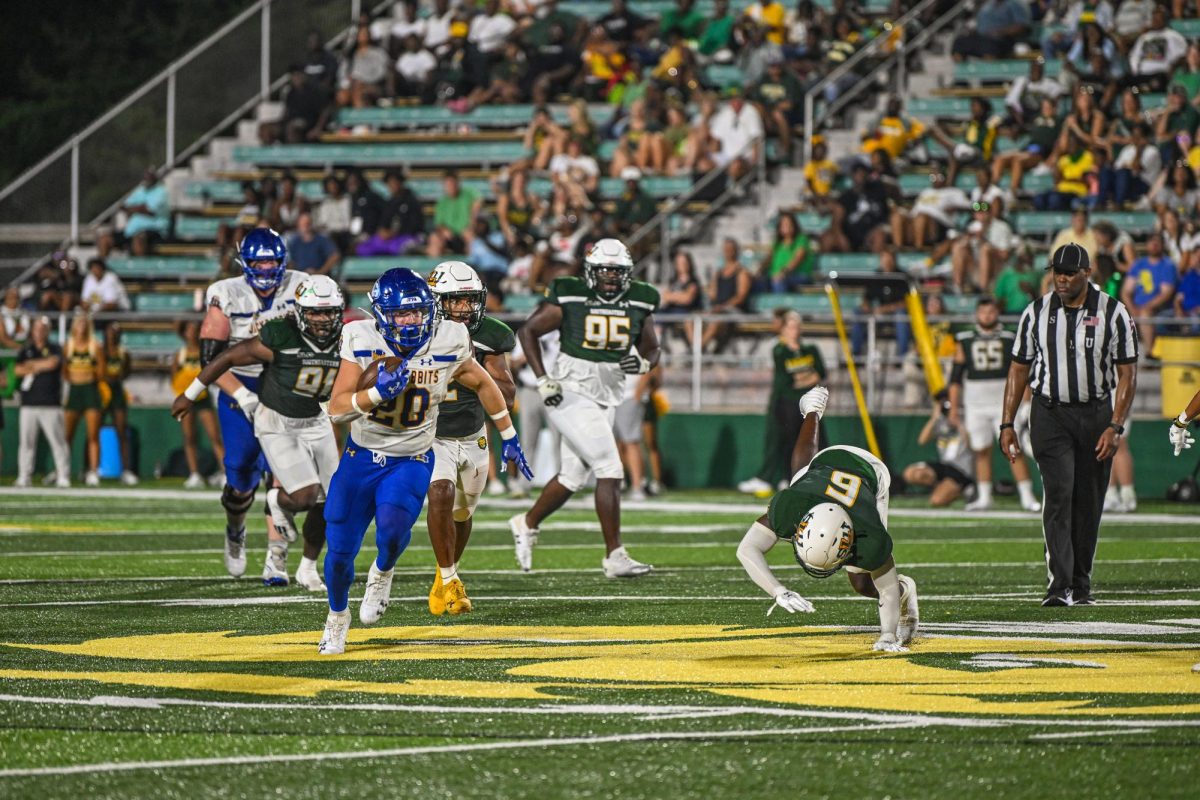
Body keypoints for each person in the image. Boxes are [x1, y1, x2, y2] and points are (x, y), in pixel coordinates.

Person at [315, 268, 531, 654]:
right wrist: (376, 393)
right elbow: (335, 409)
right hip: (361, 456)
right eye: (400, 314)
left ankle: (382, 572)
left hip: (412, 456)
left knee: (394, 533)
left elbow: (483, 382)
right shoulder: (360, 337)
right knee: (340, 552)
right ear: (382, 315)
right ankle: (336, 617)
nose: (410, 321)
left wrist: (509, 434)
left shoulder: (449, 336)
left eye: (416, 312)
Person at [175, 275, 345, 591]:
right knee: (300, 494)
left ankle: (306, 567)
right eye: (315, 312)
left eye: (329, 312)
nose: (322, 320)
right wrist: (191, 392)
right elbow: (224, 357)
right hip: (278, 420)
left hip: (315, 419)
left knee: (332, 503)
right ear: (300, 312)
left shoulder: (348, 339)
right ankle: (273, 505)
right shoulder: (282, 335)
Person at [509, 239, 660, 578]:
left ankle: (527, 521)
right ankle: (614, 555)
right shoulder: (571, 294)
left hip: (608, 394)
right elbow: (529, 330)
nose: (610, 276)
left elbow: (652, 347)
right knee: (609, 466)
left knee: (572, 477)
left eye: (617, 271)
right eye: (605, 269)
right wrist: (543, 377)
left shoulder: (640, 298)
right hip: (569, 390)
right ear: (591, 271)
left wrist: (644, 364)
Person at [1000, 243, 1139, 606]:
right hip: (1050, 413)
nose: (1061, 279)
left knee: (1089, 501)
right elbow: (1018, 368)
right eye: (1057, 271)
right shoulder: (1036, 312)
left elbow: (1128, 373)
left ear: (1086, 273)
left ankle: (1081, 584)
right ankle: (1059, 585)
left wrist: (1115, 425)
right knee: (1058, 495)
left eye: (1069, 272)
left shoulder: (1114, 312)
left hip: (1096, 413)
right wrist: (1007, 423)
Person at [736, 385, 920, 652]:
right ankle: (812, 410)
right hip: (825, 464)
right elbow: (746, 549)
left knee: (861, 583)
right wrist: (778, 590)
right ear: (801, 527)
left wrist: (887, 635)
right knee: (800, 477)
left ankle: (909, 588)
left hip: (872, 474)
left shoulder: (868, 533)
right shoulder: (793, 506)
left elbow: (887, 590)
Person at [200, 228, 307, 581]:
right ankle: (236, 530)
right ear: (244, 264)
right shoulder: (225, 294)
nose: (264, 269)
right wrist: (244, 397)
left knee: (282, 474)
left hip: (283, 382)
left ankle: (277, 556)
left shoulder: (301, 286)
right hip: (238, 385)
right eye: (257, 262)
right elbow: (210, 362)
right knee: (241, 481)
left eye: (271, 261)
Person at [425, 262, 516, 615]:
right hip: (431, 432)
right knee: (441, 492)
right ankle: (450, 580)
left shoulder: (489, 334)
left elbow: (506, 394)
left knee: (462, 515)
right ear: (436, 301)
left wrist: (472, 365)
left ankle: (443, 575)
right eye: (455, 300)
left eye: (468, 300)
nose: (464, 308)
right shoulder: (419, 332)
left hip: (473, 432)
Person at [948, 297, 1041, 512]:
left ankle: (1026, 495)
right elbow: (955, 377)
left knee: (1012, 448)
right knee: (980, 449)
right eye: (983, 312)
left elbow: (1022, 373)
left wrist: (1026, 401)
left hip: (1003, 400)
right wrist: (953, 408)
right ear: (977, 313)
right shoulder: (965, 339)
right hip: (975, 402)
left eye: (991, 311)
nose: (987, 316)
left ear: (997, 313)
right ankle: (984, 496)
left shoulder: (1009, 337)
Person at [738, 311, 826, 497]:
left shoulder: (811, 349)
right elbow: (791, 380)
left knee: (815, 443)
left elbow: (820, 374)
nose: (794, 331)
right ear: (784, 329)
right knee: (785, 442)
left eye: (797, 327)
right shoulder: (780, 350)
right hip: (786, 403)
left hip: (809, 405)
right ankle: (781, 477)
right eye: (790, 326)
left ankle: (812, 478)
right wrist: (807, 377)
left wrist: (804, 378)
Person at [14, 317, 71, 488]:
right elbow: (17, 370)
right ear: (32, 330)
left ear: (47, 331)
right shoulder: (26, 349)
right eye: (36, 328)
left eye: (43, 328)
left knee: (58, 442)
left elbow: (53, 363)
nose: (39, 332)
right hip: (29, 402)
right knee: (26, 442)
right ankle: (24, 476)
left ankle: (63, 475)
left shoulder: (54, 348)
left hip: (50, 403)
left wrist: (32, 365)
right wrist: (39, 365)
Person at [173, 320, 225, 489]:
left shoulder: (205, 352)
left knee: (214, 436)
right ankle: (194, 474)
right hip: (187, 399)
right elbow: (174, 377)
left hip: (203, 398)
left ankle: (225, 472)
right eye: (189, 330)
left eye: (195, 330)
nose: (192, 333)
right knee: (189, 437)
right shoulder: (180, 354)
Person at [902, 391, 974, 508]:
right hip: (944, 465)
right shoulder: (941, 422)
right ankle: (941, 485)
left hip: (961, 469)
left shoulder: (967, 418)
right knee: (910, 473)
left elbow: (973, 446)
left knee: (936, 501)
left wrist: (959, 424)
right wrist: (934, 417)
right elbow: (922, 440)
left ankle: (963, 489)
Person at [62, 313, 103, 486]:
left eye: (85, 323)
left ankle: (93, 471)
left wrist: (89, 376)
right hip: (74, 391)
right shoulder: (68, 345)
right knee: (67, 435)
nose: (82, 327)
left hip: (90, 390)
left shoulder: (95, 345)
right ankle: (62, 470)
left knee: (93, 434)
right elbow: (64, 369)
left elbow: (101, 371)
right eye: (79, 323)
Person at [1121, 232, 1176, 352]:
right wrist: (1132, 309)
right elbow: (1126, 291)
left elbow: (1166, 294)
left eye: (1158, 242)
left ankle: (1149, 354)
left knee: (1146, 314)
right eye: (1151, 242)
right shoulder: (1138, 264)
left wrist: (1146, 307)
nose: (1154, 245)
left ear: (1163, 245)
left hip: (1160, 308)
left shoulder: (1168, 265)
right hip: (1136, 308)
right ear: (1147, 245)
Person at [851, 251, 911, 357]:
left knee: (901, 315)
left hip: (894, 315)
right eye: (885, 260)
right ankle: (856, 354)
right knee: (857, 312)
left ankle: (902, 356)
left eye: (890, 260)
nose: (887, 263)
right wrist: (866, 306)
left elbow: (906, 303)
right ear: (880, 261)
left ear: (894, 261)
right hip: (878, 313)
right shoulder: (876, 276)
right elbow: (866, 298)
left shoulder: (902, 277)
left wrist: (885, 309)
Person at [98, 324, 138, 485]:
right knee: (94, 432)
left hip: (117, 392)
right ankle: (90, 468)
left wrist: (115, 377)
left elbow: (126, 372)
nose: (112, 336)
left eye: (115, 333)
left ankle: (126, 470)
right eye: (109, 333)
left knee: (121, 431)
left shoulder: (123, 353)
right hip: (102, 392)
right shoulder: (100, 351)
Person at [701, 238, 753, 353]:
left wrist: (723, 307)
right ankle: (703, 352)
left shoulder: (742, 272)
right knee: (693, 319)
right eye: (726, 249)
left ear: (736, 251)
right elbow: (713, 294)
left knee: (717, 321)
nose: (728, 252)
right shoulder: (718, 273)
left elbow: (741, 296)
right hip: (718, 310)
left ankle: (696, 351)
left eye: (731, 249)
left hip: (734, 311)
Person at [428, 171, 483, 256]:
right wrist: (445, 230)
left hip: (467, 232)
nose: (451, 187)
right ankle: (434, 266)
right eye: (448, 184)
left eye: (452, 183)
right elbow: (439, 223)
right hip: (450, 237)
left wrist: (472, 223)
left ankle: (470, 266)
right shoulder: (442, 202)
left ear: (457, 183)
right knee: (434, 239)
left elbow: (478, 202)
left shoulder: (468, 194)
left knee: (471, 238)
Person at [761, 212, 815, 292]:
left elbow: (798, 258)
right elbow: (769, 258)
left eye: (788, 224)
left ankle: (780, 304)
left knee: (778, 281)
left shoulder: (801, 239)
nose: (786, 226)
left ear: (794, 226)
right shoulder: (777, 243)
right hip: (774, 275)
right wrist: (759, 270)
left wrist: (783, 273)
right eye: (783, 224)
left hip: (797, 275)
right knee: (757, 282)